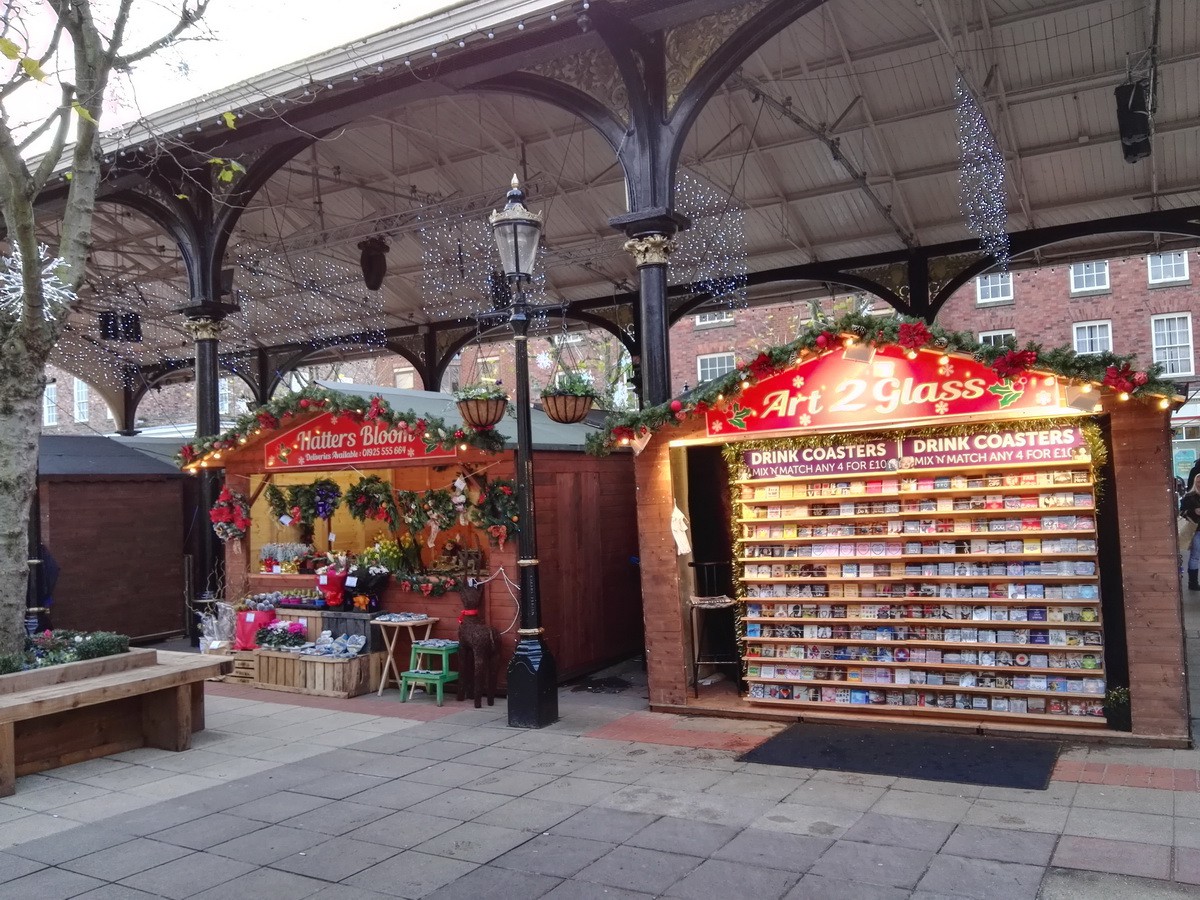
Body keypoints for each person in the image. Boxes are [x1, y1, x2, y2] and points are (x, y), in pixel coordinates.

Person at [1181, 477, 1200, 590]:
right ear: (1195, 483)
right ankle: (1193, 583)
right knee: (1195, 556)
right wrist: (1193, 511)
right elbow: (1182, 512)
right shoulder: (1190, 496)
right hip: (1196, 529)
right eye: (1198, 482)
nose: (1199, 484)